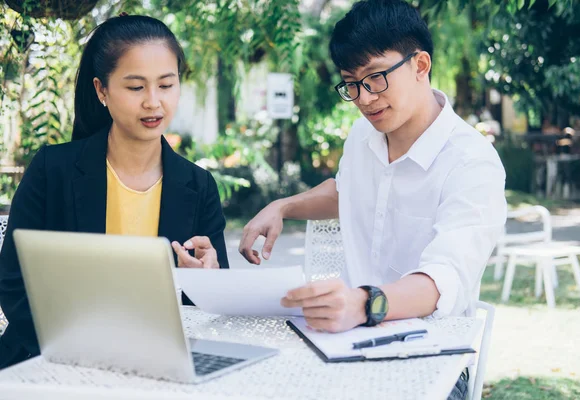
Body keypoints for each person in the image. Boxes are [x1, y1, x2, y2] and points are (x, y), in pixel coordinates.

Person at [239, 2, 506, 398]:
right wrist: (283, 207)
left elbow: (443, 279)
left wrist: (361, 304)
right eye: (352, 84)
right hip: (344, 343)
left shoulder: (472, 163)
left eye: (375, 77)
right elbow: (346, 191)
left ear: (420, 65)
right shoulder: (361, 138)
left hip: (430, 359)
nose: (364, 98)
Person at [0, 15, 228, 369]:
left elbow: (212, 309)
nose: (154, 102)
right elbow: (14, 284)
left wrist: (207, 282)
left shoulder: (198, 186)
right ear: (101, 90)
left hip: (156, 367)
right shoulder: (51, 170)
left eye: (166, 85)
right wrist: (87, 351)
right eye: (136, 88)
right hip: (50, 361)